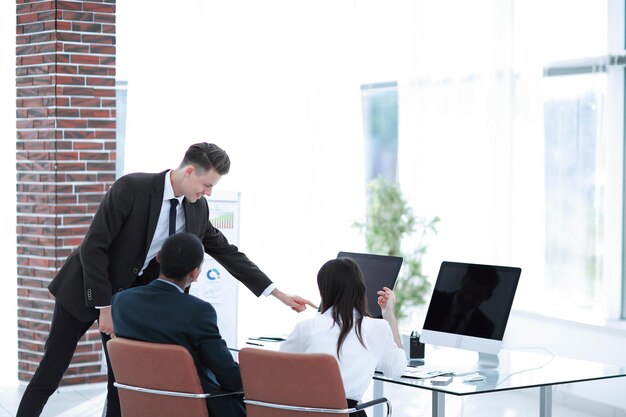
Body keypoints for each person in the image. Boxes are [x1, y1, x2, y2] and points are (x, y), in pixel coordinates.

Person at [17, 143, 315, 417]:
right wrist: (104, 306)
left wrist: (278, 293)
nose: (209, 192)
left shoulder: (197, 207)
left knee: (121, 382)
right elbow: (93, 246)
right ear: (189, 171)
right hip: (86, 288)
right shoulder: (132, 187)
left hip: (130, 301)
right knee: (51, 372)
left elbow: (226, 251)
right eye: (207, 184)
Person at [112, 232, 245, 417]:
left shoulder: (121, 302)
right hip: (195, 406)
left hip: (142, 406)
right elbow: (229, 378)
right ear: (194, 273)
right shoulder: (198, 311)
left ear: (158, 257)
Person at [279, 258, 406, 417]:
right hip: (346, 413)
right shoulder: (377, 328)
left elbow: (279, 371)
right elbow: (396, 370)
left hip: (303, 412)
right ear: (360, 288)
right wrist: (390, 316)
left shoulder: (306, 327)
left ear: (324, 291)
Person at [423, 265, 499, 338]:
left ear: (488, 296)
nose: (467, 299)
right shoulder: (431, 299)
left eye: (476, 296)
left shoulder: (486, 328)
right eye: (466, 290)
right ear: (462, 281)